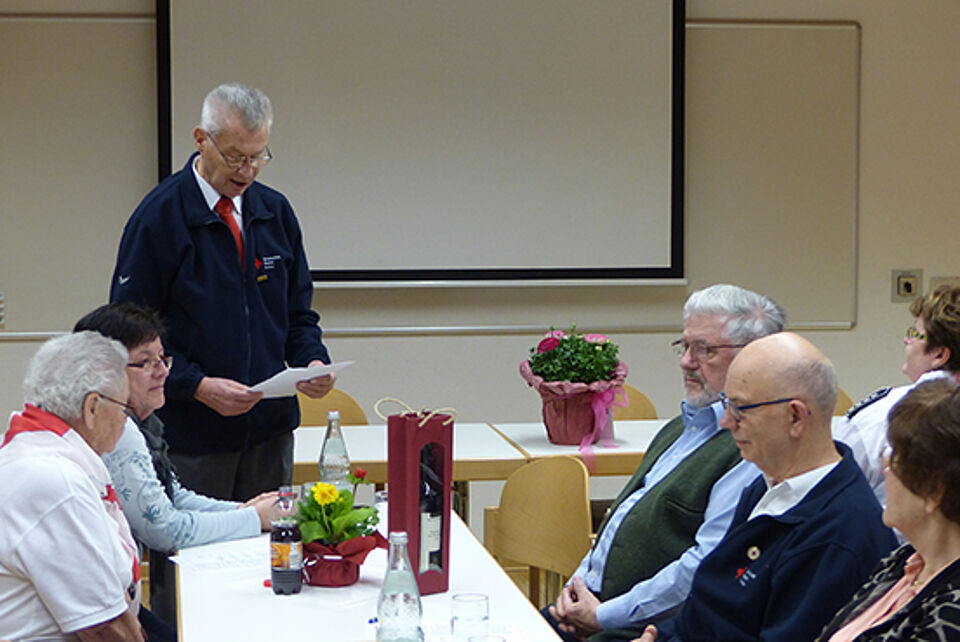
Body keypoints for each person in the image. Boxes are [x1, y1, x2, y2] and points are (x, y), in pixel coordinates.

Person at [110, 82, 334, 501]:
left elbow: (298, 314)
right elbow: (128, 332)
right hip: (191, 438)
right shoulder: (159, 218)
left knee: (272, 540)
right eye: (234, 156)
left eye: (258, 156)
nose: (247, 171)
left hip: (270, 435)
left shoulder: (275, 212)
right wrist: (196, 385)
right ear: (201, 139)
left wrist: (312, 360)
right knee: (197, 541)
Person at [545, 284, 786, 641]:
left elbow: (704, 565)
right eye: (684, 346)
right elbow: (621, 519)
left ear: (753, 358)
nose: (686, 361)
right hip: (590, 608)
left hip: (638, 630)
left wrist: (604, 616)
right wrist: (576, 588)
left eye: (703, 349)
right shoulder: (680, 427)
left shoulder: (749, 449)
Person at [633, 333, 898, 642]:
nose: (726, 422)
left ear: (795, 416)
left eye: (740, 408)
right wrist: (657, 634)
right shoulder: (768, 487)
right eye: (726, 404)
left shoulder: (839, 537)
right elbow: (713, 605)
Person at [75, 302, 278, 630]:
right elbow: (164, 530)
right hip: (95, 613)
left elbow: (173, 496)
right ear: (104, 373)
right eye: (145, 362)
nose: (162, 372)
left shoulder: (142, 421)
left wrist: (245, 509)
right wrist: (255, 518)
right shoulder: (118, 429)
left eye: (162, 359)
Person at [0, 332, 144, 641]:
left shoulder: (34, 453)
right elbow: (104, 627)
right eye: (124, 408)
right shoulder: (55, 480)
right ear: (92, 408)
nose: (125, 421)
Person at [816, 379, 960, 641]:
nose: (885, 469)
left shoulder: (953, 613)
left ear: (934, 489)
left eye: (894, 458)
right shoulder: (903, 560)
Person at [835, 284, 960, 506]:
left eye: (915, 334)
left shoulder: (892, 410)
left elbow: (834, 476)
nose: (906, 340)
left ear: (939, 354)